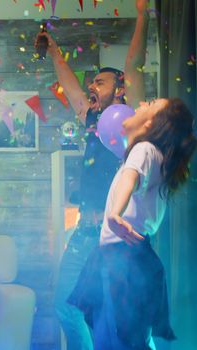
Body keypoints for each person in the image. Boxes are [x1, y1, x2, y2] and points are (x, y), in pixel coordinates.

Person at [36, 1, 149, 347]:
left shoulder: (133, 121)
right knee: (65, 306)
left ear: (120, 89)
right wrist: (55, 52)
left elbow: (132, 66)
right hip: (86, 232)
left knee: (120, 321)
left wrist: (142, 15)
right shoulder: (94, 122)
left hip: (117, 239)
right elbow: (72, 92)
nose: (91, 86)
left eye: (99, 82)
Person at [69, 97, 196, 349]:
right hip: (127, 256)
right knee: (129, 338)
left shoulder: (145, 149)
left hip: (122, 259)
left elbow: (131, 177)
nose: (141, 103)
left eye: (150, 104)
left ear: (151, 124)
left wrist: (115, 213)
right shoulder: (152, 153)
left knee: (117, 339)